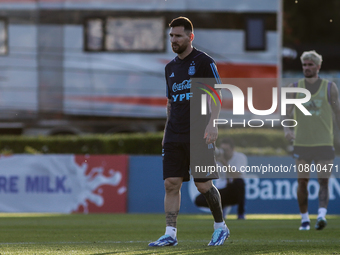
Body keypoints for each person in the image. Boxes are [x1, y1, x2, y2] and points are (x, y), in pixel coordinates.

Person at [148, 17, 229, 247]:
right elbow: (170, 103)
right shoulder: (170, 68)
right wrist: (166, 133)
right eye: (171, 36)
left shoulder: (204, 62)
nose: (173, 40)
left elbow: (217, 95)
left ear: (190, 37)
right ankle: (170, 234)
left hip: (199, 133)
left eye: (178, 36)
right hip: (174, 134)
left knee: (203, 185)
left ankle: (220, 227)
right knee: (171, 183)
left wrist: (213, 123)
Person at [283, 50, 340, 231]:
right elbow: (287, 113)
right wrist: (287, 129)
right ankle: (305, 219)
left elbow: (338, 114)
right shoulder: (294, 87)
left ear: (318, 66)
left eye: (310, 65)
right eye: (304, 65)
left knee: (324, 180)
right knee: (302, 182)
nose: (306, 68)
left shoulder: (330, 87)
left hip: (324, 142)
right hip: (302, 143)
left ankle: (321, 216)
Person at [194, 137, 247, 219]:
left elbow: (236, 175)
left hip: (234, 190)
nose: (224, 153)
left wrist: (223, 162)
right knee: (199, 200)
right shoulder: (216, 159)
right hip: (221, 190)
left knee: (240, 182)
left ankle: (241, 213)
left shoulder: (240, 157)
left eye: (226, 150)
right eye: (222, 150)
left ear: (233, 149)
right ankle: (221, 207)